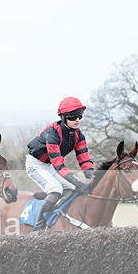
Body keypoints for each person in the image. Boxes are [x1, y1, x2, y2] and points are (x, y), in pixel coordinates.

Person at [26, 96, 96, 233]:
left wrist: (91, 175)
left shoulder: (78, 135)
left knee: (70, 189)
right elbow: (58, 164)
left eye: (79, 116)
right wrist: (78, 182)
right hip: (36, 164)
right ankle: (38, 228)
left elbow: (84, 157)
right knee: (56, 189)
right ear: (63, 117)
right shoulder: (52, 133)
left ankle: (57, 213)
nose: (77, 119)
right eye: (73, 116)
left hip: (49, 165)